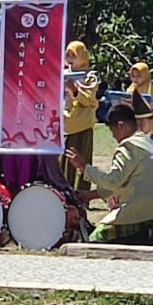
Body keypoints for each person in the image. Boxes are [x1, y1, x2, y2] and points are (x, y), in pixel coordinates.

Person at [65, 97, 153, 246]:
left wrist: (83, 166)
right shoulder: (145, 142)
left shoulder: (128, 147)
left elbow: (113, 181)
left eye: (113, 132)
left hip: (139, 213)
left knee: (94, 240)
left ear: (121, 126)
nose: (114, 137)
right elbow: (126, 181)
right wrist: (90, 195)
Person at [62, 42, 101, 192]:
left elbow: (89, 100)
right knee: (64, 161)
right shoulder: (63, 74)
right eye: (68, 55)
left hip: (83, 124)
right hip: (65, 123)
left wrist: (75, 90)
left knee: (81, 160)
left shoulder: (90, 76)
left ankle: (82, 195)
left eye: (74, 55)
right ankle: (66, 192)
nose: (70, 58)